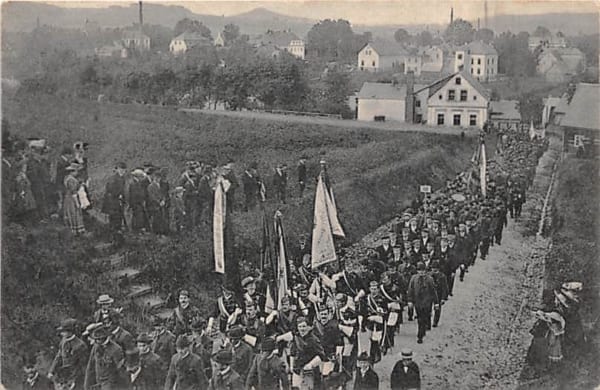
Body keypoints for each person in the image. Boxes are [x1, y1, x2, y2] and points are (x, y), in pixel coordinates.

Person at [48, 318, 88, 389]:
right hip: (64, 377)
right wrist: (51, 371)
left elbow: (83, 366)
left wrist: (76, 381)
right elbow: (58, 357)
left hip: (76, 378)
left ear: (70, 331)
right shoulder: (63, 341)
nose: (61, 334)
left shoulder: (80, 345)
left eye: (63, 331)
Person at [407, 262, 438, 344]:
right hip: (417, 302)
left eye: (423, 271)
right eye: (420, 271)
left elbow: (433, 291)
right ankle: (422, 330)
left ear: (426, 271)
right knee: (420, 318)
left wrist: (436, 303)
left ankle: (420, 335)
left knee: (424, 318)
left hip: (427, 302)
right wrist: (410, 301)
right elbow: (410, 290)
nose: (421, 273)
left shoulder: (430, 279)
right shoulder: (413, 278)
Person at [102, 162, 127, 242]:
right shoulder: (113, 179)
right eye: (121, 169)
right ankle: (113, 238)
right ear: (117, 169)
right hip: (112, 202)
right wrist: (118, 195)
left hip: (117, 202)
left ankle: (117, 237)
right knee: (114, 219)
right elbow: (110, 190)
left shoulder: (122, 178)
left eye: (124, 170)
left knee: (118, 219)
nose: (122, 171)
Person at [63, 163, 86, 236]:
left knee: (74, 213)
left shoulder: (68, 178)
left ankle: (76, 230)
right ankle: (77, 230)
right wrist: (77, 202)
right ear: (72, 171)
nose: (77, 173)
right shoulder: (71, 180)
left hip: (69, 198)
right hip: (72, 199)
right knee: (75, 213)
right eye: (76, 171)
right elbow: (73, 192)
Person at [147, 168, 169, 235]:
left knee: (162, 218)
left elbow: (163, 194)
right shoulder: (150, 186)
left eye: (159, 178)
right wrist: (159, 202)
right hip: (154, 205)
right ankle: (156, 232)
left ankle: (162, 232)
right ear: (154, 177)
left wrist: (163, 200)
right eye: (156, 177)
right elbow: (152, 197)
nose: (158, 179)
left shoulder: (161, 185)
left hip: (161, 205)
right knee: (156, 219)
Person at [129, 169, 149, 233]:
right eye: (141, 177)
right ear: (138, 176)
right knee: (138, 215)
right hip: (136, 203)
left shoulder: (137, 183)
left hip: (138, 202)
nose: (142, 178)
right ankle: (137, 230)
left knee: (139, 216)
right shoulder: (133, 183)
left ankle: (138, 229)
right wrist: (140, 200)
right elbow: (135, 194)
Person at [429, 261, 448, 328]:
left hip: (438, 295)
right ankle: (428, 323)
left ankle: (435, 322)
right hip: (430, 294)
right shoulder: (429, 275)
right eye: (433, 268)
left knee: (437, 309)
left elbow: (444, 288)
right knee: (428, 309)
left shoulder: (442, 276)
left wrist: (443, 298)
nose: (433, 270)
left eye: (435, 268)